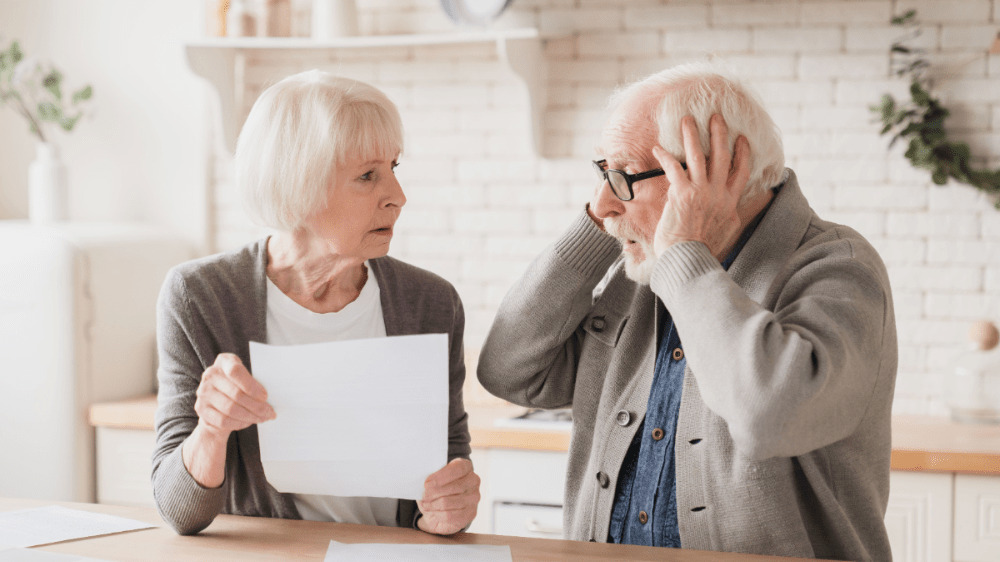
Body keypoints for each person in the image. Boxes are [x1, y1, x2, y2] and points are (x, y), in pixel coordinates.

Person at [477, 62, 897, 560]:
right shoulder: (641, 274)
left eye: (624, 175)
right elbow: (508, 372)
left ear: (718, 172)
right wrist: (598, 230)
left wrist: (685, 258)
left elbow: (772, 418)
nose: (603, 201)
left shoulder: (838, 267)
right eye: (602, 172)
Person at [152, 70, 480, 536]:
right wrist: (212, 428)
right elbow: (178, 512)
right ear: (296, 185)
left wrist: (451, 508)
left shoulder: (431, 303)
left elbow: (447, 465)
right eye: (368, 176)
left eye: (394, 168)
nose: (398, 197)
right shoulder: (200, 297)